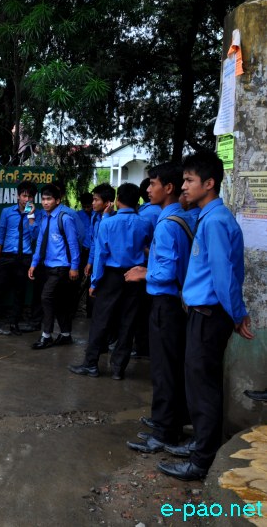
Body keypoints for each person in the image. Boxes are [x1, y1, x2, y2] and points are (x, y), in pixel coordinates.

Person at [157, 151, 253, 482]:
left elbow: (224, 276)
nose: (183, 187)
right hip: (203, 312)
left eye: (189, 181)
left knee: (203, 388)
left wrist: (238, 314)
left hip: (210, 314)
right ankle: (201, 442)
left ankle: (201, 461)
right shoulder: (208, 217)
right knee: (198, 384)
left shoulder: (215, 221)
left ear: (209, 184)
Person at [123, 162, 196, 453]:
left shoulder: (167, 224)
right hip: (178, 302)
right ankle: (167, 421)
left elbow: (165, 273)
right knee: (172, 366)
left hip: (166, 303)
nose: (148, 189)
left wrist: (144, 273)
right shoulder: (185, 217)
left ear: (168, 188)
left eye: (152, 184)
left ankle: (165, 432)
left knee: (165, 369)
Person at [68, 183, 152, 379]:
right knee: (127, 322)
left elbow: (101, 256)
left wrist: (94, 283)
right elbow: (148, 249)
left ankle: (91, 364)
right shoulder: (145, 223)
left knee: (101, 320)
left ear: (117, 200)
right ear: (137, 201)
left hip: (111, 276)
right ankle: (118, 369)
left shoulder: (107, 223)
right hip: (135, 276)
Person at [27, 183, 80, 350]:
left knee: (46, 298)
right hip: (47, 266)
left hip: (62, 267)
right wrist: (34, 263)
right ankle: (65, 334)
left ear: (58, 200)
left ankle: (46, 335)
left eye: (49, 199)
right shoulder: (44, 218)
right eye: (43, 199)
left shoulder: (65, 218)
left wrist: (74, 267)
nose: (45, 202)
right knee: (59, 301)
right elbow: (40, 241)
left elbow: (73, 244)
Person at [0, 180, 39, 335]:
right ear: (18, 196)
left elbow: (35, 236)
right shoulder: (7, 212)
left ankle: (14, 323)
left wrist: (31, 216)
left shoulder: (35, 214)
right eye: (24, 196)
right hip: (7, 256)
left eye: (30, 197)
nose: (27, 200)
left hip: (24, 257)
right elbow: (0, 234)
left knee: (20, 292)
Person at [83, 183, 115, 319]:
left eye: (96, 200)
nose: (93, 203)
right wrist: (90, 262)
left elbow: (103, 249)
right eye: (93, 199)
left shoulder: (113, 220)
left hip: (107, 267)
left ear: (107, 203)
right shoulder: (95, 217)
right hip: (96, 263)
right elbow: (94, 243)